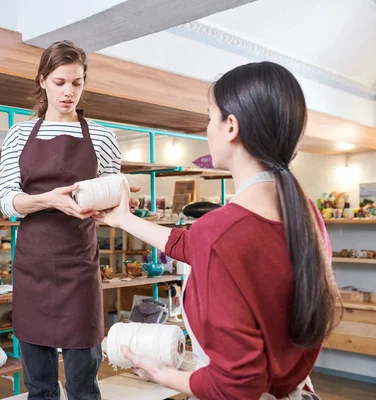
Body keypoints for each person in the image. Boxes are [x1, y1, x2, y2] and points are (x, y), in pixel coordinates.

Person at [95, 61, 339, 400]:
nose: (207, 129)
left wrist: (163, 375)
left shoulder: (221, 232)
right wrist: (123, 219)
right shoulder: (306, 213)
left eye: (210, 117)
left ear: (231, 127)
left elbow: (237, 385)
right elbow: (193, 244)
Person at [0, 40, 136, 400]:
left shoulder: (103, 138)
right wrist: (49, 200)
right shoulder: (19, 134)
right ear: (43, 81)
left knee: (82, 385)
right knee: (39, 386)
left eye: (77, 83)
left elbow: (110, 201)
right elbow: (7, 201)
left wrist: (119, 203)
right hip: (32, 269)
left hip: (79, 268)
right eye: (60, 82)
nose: (68, 92)